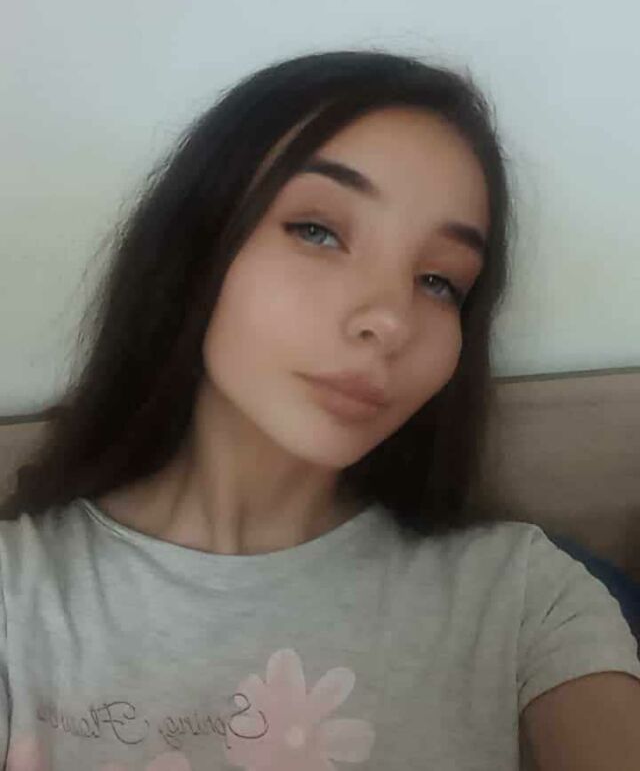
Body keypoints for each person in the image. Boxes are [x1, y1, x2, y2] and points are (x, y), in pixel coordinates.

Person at [1, 49, 639, 771]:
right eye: (318, 231)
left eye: (439, 281)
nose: (390, 319)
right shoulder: (17, 600)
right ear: (196, 246)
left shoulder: (525, 596)